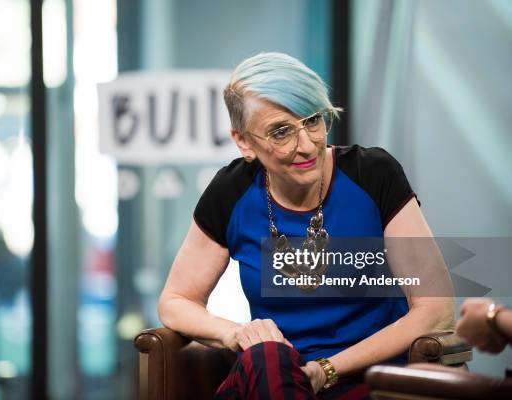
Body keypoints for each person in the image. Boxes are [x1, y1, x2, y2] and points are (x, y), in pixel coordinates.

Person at [158, 52, 454, 399]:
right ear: (243, 141)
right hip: (271, 375)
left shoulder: (373, 175)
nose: (307, 144)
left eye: (313, 120)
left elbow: (436, 310)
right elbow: (175, 300)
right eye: (280, 132)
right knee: (267, 356)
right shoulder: (231, 191)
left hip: (366, 378)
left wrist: (326, 370)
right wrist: (235, 334)